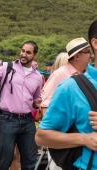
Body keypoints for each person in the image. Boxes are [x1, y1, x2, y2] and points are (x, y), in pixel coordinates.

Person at [35, 23, 97, 169]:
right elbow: (42, 135)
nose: (89, 56)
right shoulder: (69, 84)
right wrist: (85, 139)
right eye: (87, 52)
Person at [0, 41, 43, 170]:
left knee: (30, 161)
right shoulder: (7, 67)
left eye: (28, 52)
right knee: (4, 161)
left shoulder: (38, 77)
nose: (24, 54)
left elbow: (35, 99)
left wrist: (37, 103)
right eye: (23, 51)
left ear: (35, 55)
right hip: (8, 120)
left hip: (28, 120)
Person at [41, 39, 91, 116]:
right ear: (77, 56)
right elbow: (46, 106)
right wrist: (51, 127)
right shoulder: (59, 75)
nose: (92, 55)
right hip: (66, 126)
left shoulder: (89, 74)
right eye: (88, 52)